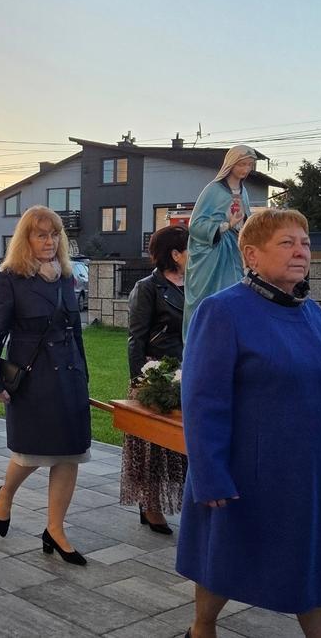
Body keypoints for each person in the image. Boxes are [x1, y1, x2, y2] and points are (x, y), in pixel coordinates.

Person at [177, 208, 321, 637]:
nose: (301, 251)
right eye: (287, 243)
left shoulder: (312, 312)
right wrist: (209, 475)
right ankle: (201, 628)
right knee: (224, 557)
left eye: (305, 243)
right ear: (251, 255)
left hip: (313, 476)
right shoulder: (222, 311)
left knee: (315, 574)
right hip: (251, 473)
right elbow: (202, 399)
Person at [0, 206, 90, 566]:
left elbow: (76, 333)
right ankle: (5, 494)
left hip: (69, 377)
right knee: (31, 453)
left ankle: (55, 529)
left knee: (70, 453)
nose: (49, 241)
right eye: (41, 234)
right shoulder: (10, 278)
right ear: (26, 239)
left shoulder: (66, 277)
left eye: (55, 234)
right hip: (34, 378)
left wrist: (84, 375)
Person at [123, 225, 189, 535]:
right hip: (156, 376)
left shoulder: (195, 285)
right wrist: (140, 381)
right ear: (175, 254)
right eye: (190, 249)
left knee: (180, 446)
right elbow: (135, 339)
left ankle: (180, 501)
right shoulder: (147, 288)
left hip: (187, 372)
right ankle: (150, 505)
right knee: (152, 447)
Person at [183, 145, 257, 335]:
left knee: (235, 297)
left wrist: (244, 225)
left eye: (249, 165)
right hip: (213, 255)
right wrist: (226, 225)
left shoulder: (244, 192)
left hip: (235, 252)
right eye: (242, 164)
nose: (246, 169)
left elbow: (246, 221)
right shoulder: (213, 190)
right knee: (211, 299)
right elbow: (195, 225)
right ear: (231, 164)